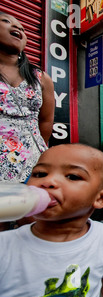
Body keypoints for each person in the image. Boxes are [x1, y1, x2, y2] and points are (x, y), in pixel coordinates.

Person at [0, 143, 103, 297]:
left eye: (72, 176)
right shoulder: (5, 246)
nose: (48, 181)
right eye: (40, 174)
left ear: (100, 198)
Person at [0, 12, 55, 231]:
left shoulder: (41, 77)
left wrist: (37, 156)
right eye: (6, 21)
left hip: (31, 165)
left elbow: (46, 122)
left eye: (21, 26)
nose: (18, 28)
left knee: (34, 225)